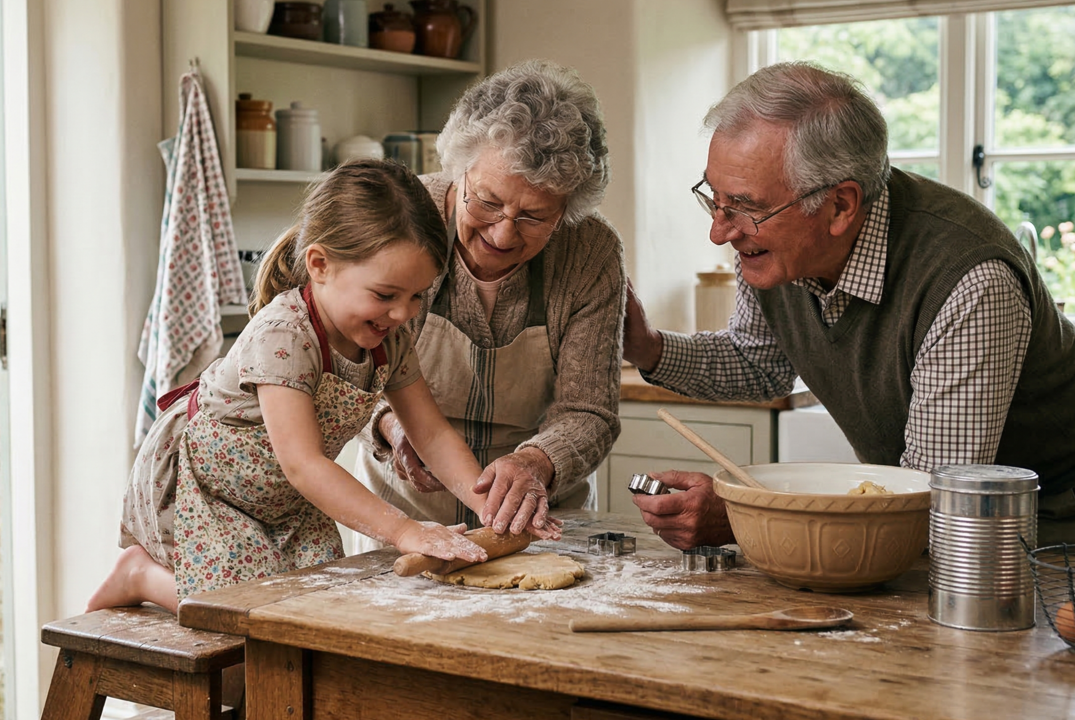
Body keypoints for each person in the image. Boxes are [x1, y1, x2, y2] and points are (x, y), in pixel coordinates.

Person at [623, 61, 1075, 549]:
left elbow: (932, 500)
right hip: (933, 530)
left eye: (745, 207)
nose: (720, 231)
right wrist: (646, 347)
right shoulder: (776, 247)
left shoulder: (969, 279)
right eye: (715, 199)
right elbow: (760, 363)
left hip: (1044, 532)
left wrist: (742, 517)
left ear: (840, 206)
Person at [87, 159, 559, 614]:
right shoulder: (285, 335)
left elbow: (431, 434)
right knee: (245, 609)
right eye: (385, 295)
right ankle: (140, 576)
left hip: (287, 503)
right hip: (218, 492)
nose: (403, 313)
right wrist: (404, 530)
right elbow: (304, 464)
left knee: (321, 603)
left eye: (417, 296)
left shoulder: (388, 338)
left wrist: (493, 512)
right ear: (319, 264)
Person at [349, 60, 626, 554]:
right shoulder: (399, 219)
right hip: (402, 517)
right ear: (459, 169)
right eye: (487, 202)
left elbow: (590, 411)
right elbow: (343, 370)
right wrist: (392, 425)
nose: (502, 233)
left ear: (568, 210)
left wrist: (536, 463)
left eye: (535, 217)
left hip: (533, 525)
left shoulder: (590, 252)